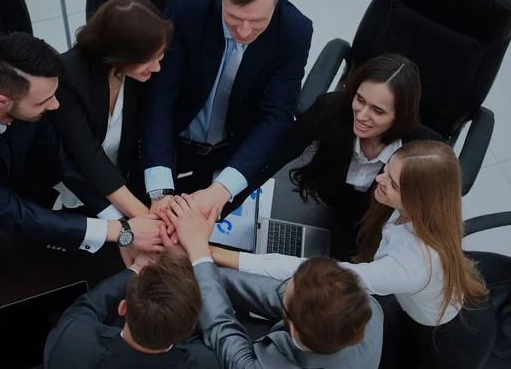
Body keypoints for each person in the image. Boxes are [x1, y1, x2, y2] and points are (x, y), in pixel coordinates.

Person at [210, 141, 497, 368]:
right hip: (430, 309)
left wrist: (213, 253)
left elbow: (309, 272)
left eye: (393, 184)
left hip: (445, 343)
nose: (380, 179)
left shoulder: (411, 264)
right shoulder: (427, 214)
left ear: (419, 199)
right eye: (387, 169)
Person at [0, 32, 163, 271]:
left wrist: (121, 222)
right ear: (2, 101)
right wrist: (120, 232)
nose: (54, 105)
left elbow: (61, 156)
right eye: (44, 101)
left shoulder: (15, 82)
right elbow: (15, 214)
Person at [227, 53, 442, 261]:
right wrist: (224, 196)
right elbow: (273, 155)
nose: (362, 115)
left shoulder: (423, 149)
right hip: (328, 205)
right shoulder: (330, 109)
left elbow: (424, 221)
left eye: (377, 111)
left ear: (400, 115)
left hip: (381, 231)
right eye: (360, 99)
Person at [138, 0, 313, 220]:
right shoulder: (187, 5)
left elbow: (276, 117)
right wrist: (159, 190)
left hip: (235, 154)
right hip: (168, 141)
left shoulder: (295, 29)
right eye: (234, 17)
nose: (244, 31)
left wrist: (222, 189)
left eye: (257, 21)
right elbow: (159, 95)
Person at [156, 195, 384, 369]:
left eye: (285, 290)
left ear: (293, 330)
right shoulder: (367, 307)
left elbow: (222, 330)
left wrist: (196, 255)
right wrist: (199, 259)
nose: (279, 287)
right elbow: (270, 293)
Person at [49, 0, 174, 264]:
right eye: (148, 60)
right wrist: (147, 221)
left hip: (120, 187)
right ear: (119, 54)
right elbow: (87, 158)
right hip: (69, 194)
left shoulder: (138, 73)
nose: (157, 66)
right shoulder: (67, 78)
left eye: (159, 56)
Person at [44, 252, 221, 369]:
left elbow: (85, 307)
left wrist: (137, 267)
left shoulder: (72, 343)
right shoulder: (204, 363)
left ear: (123, 308)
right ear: (191, 325)